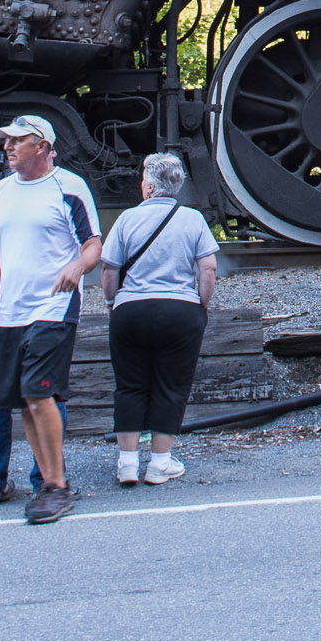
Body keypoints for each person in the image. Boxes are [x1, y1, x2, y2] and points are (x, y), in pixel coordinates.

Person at [0, 114, 99, 526]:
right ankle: (49, 483)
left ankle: (55, 486)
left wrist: (77, 267)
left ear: (42, 146)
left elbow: (93, 244)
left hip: (53, 307)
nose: (8, 146)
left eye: (17, 140)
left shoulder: (68, 187)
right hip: (10, 311)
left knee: (39, 393)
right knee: (23, 399)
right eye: (6, 140)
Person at [99, 152, 219, 486]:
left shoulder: (127, 219)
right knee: (171, 385)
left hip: (131, 311)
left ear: (150, 187)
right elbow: (208, 269)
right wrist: (201, 304)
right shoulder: (193, 219)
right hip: (180, 311)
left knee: (129, 385)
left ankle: (126, 463)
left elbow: (109, 268)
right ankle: (160, 464)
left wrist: (112, 302)